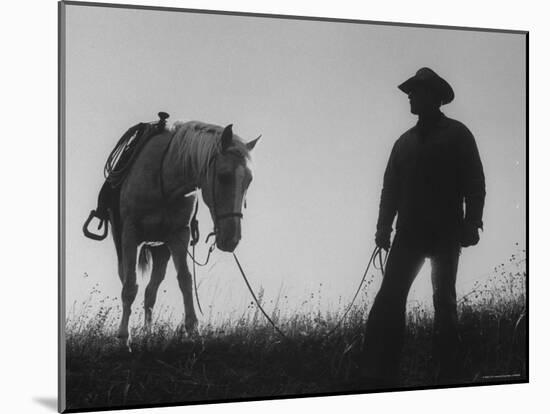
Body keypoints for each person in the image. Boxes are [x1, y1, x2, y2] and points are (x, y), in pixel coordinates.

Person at [360, 67, 486, 387]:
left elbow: (475, 183)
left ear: (432, 96)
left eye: (415, 92)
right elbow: (390, 190)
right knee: (389, 299)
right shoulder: (403, 143)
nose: (410, 98)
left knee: (444, 302)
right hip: (408, 235)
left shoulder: (458, 134)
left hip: (446, 233)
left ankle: (448, 374)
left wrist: (472, 223)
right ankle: (379, 374)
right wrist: (382, 229)